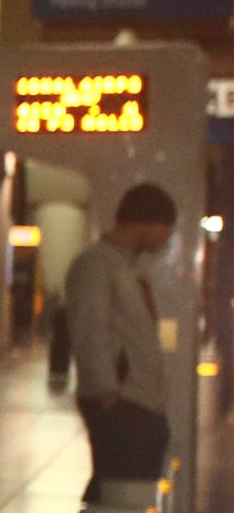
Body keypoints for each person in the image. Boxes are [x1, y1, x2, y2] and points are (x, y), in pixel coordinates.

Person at [64, 182, 177, 487]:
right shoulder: (96, 265)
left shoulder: (128, 268)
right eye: (164, 230)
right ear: (147, 224)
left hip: (139, 401)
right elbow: (90, 331)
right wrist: (107, 394)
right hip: (122, 402)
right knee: (118, 489)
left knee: (128, 488)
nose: (165, 239)